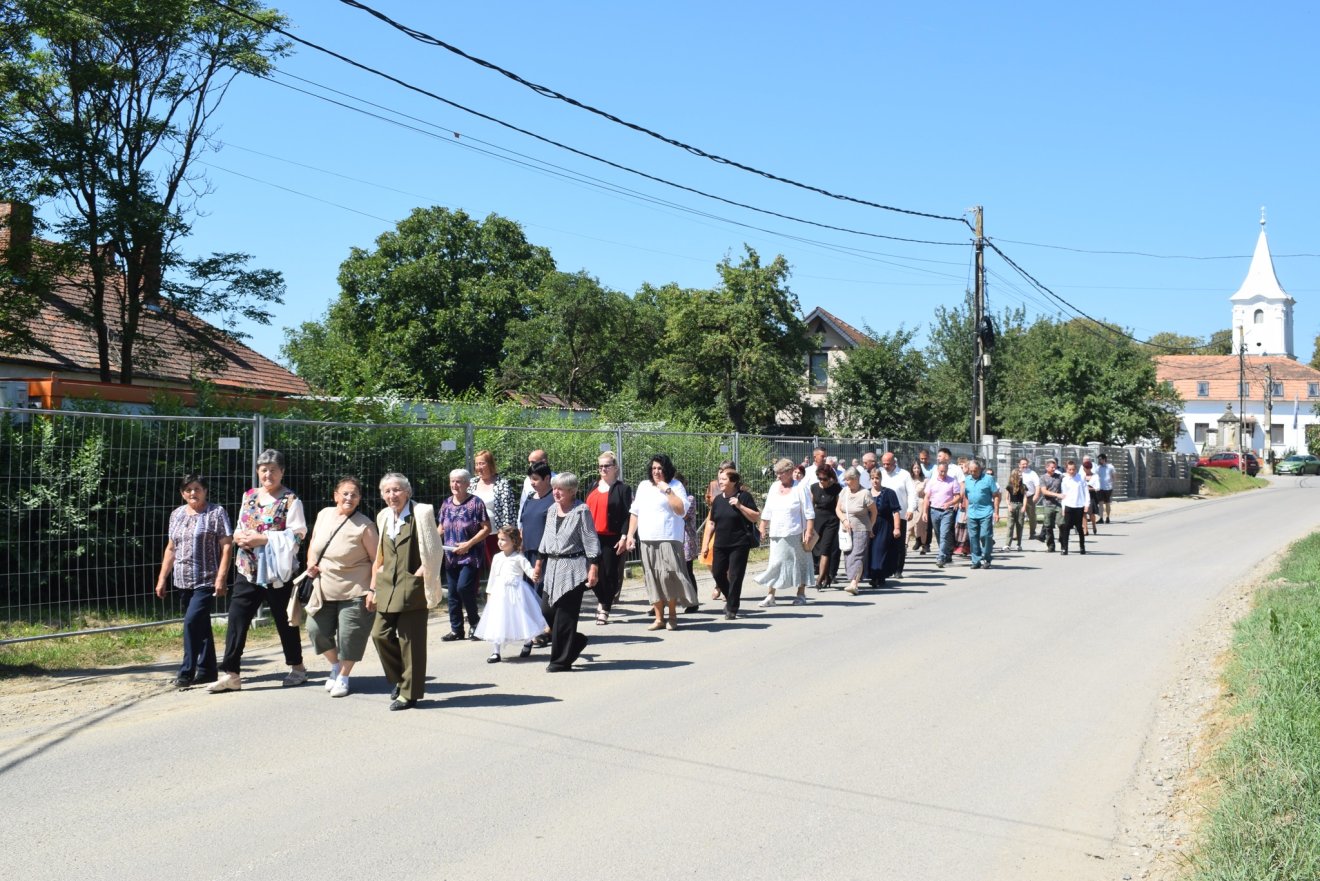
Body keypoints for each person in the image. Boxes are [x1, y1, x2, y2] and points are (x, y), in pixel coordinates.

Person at [209, 449, 307, 693]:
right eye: (264, 469)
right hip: (248, 569)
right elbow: (243, 523)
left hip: (277, 573)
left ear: (282, 472)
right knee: (237, 619)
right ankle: (232, 674)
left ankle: (297, 668)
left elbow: (298, 534)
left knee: (285, 621)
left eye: (273, 469)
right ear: (257, 472)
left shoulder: (291, 500)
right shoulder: (249, 495)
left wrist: (263, 539)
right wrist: (240, 536)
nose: (268, 474)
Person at [369, 472, 442, 710]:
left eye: (397, 490)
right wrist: (374, 584)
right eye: (388, 491)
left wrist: (422, 573)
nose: (393, 495)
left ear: (407, 492)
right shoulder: (382, 516)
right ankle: (401, 680)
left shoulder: (421, 513)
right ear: (382, 495)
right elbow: (380, 552)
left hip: (412, 584)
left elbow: (434, 550)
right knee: (379, 635)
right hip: (387, 585)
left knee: (411, 642)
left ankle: (408, 694)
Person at [303, 476, 379, 698]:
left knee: (350, 636)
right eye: (345, 493)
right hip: (323, 588)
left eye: (354, 494)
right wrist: (310, 563)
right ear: (335, 496)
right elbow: (314, 544)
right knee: (315, 630)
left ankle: (344, 676)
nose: (349, 497)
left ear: (359, 499)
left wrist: (373, 590)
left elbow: (377, 561)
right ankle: (335, 665)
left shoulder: (365, 525)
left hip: (355, 590)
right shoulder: (324, 515)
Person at [155, 474, 232, 688]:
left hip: (206, 579)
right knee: (201, 624)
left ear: (205, 490)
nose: (192, 493)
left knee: (190, 622)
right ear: (182, 493)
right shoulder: (177, 515)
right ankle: (207, 671)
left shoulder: (216, 512)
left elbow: (226, 546)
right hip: (182, 579)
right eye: (188, 490)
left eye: (197, 489)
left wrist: (221, 577)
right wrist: (162, 578)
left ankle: (186, 671)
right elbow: (171, 548)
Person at [534, 473, 599, 671]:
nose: (556, 492)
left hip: (573, 568)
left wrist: (593, 568)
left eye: (560, 489)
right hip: (552, 568)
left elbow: (590, 540)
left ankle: (560, 661)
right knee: (547, 610)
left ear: (572, 491)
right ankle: (575, 640)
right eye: (554, 488)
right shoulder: (552, 510)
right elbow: (546, 538)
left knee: (565, 617)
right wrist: (538, 564)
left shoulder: (581, 511)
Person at [624, 454, 696, 630]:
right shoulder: (644, 486)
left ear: (667, 470)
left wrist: (667, 490)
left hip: (669, 538)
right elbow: (635, 512)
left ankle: (672, 616)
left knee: (668, 576)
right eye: (654, 468)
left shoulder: (676, 486)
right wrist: (630, 535)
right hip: (648, 538)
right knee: (652, 577)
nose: (656, 471)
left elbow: (681, 511)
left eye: (660, 468)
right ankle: (658, 618)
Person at [474, 526, 546, 663]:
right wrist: (489, 593)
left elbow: (529, 571)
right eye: (498, 539)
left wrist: (535, 575)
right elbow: (493, 577)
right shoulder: (496, 557)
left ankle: (527, 641)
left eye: (503, 539)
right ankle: (496, 651)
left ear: (513, 541)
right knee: (497, 620)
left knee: (521, 619)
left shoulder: (519, 557)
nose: (499, 542)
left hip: (516, 593)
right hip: (499, 594)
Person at [754, 457, 816, 606]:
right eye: (776, 473)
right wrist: (763, 526)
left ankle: (801, 594)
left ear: (789, 472)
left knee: (800, 563)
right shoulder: (774, 487)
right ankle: (770, 596)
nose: (778, 476)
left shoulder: (800, 488)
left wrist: (809, 530)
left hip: (795, 533)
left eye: (780, 473)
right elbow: (768, 508)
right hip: (776, 532)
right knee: (775, 563)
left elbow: (809, 512)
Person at [439, 468, 490, 642]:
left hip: (471, 554)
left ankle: (475, 623)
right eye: (452, 481)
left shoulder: (476, 503)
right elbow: (441, 527)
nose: (455, 484)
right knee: (453, 593)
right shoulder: (446, 504)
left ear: (468, 484)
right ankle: (456, 630)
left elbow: (486, 528)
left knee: (463, 587)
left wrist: (468, 544)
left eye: (459, 481)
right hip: (451, 555)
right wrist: (430, 539)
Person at [702, 467, 760, 619]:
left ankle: (732, 608)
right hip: (720, 544)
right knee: (717, 573)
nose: (720, 482)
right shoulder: (718, 500)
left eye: (724, 479)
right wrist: (706, 545)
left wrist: (740, 506)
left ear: (733, 481)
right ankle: (731, 598)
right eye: (719, 479)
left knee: (735, 576)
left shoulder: (744, 496)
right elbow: (712, 523)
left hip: (739, 543)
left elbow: (755, 517)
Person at [586, 451, 631, 625]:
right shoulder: (592, 486)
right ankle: (602, 599)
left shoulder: (623, 489)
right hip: (592, 537)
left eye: (607, 466)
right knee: (591, 573)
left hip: (612, 538)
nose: (603, 469)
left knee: (609, 574)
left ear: (615, 468)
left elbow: (629, 515)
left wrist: (624, 536)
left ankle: (604, 607)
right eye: (600, 466)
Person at [518, 461, 556, 648]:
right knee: (530, 593)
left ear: (547, 478)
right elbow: (524, 523)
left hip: (546, 555)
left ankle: (547, 629)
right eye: (530, 479)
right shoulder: (530, 498)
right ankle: (535, 629)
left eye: (535, 479)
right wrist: (521, 543)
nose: (532, 483)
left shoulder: (553, 500)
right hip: (528, 552)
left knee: (543, 593)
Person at [471, 450, 517, 565]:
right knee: (474, 568)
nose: (478, 467)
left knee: (497, 567)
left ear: (490, 464)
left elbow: (509, 512)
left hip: (495, 535)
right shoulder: (472, 483)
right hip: (474, 534)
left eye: (482, 463)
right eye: (476, 464)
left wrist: (507, 536)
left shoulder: (502, 484)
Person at [837, 467, 876, 595]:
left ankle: (854, 583)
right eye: (846, 480)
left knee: (857, 556)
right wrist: (844, 520)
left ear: (857, 479)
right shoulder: (843, 492)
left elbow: (874, 512)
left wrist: (870, 526)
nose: (847, 482)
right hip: (845, 530)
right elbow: (837, 509)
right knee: (848, 556)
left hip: (861, 529)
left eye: (849, 479)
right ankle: (853, 580)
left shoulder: (865, 493)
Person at [878, 452, 916, 577]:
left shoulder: (904, 475)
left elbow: (911, 493)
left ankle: (898, 569)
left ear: (894, 462)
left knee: (898, 544)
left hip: (900, 514)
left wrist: (911, 509)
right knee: (884, 542)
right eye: (883, 463)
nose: (885, 466)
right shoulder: (880, 473)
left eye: (888, 464)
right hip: (883, 514)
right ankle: (886, 568)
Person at [922, 460, 964, 569]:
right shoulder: (932, 482)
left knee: (944, 533)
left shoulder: (952, 481)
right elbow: (926, 498)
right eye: (941, 471)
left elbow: (958, 496)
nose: (942, 473)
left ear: (947, 471)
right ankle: (946, 553)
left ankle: (940, 557)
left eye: (944, 471)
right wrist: (924, 512)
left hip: (947, 511)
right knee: (938, 534)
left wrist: (950, 503)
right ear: (937, 470)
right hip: (934, 510)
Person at [866, 467, 903, 587]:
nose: (875, 481)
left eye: (877, 478)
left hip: (884, 526)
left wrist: (897, 528)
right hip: (869, 525)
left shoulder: (889, 493)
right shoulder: (866, 493)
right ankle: (874, 575)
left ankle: (878, 576)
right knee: (870, 551)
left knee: (879, 550)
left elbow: (896, 512)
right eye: (872, 478)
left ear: (881, 479)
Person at [962, 460, 1001, 569]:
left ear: (980, 469)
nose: (973, 473)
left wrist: (996, 512)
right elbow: (966, 497)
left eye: (975, 471)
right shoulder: (967, 480)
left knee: (985, 536)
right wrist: (966, 513)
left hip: (986, 512)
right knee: (973, 537)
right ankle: (976, 560)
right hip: (972, 513)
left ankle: (987, 558)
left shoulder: (988, 479)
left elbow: (996, 496)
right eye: (971, 471)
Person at [810, 465, 842, 589]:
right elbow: (811, 506)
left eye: (824, 479)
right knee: (816, 549)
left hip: (831, 521)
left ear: (830, 478)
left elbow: (838, 507)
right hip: (818, 520)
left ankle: (820, 578)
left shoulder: (836, 488)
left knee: (826, 549)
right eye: (820, 478)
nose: (822, 481)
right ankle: (826, 576)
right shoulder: (814, 487)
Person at [675, 471, 702, 613]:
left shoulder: (689, 499)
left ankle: (693, 602)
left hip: (686, 539)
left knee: (687, 571)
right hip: (673, 537)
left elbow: (682, 515)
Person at [1058, 459, 1090, 555]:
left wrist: (1086, 504)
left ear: (1076, 469)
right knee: (1066, 528)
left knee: (1079, 527)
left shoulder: (1081, 478)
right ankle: (1064, 548)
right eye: (1069, 470)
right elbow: (1064, 494)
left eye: (1073, 469)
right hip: (1068, 505)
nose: (1071, 471)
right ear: (1067, 470)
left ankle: (1082, 547)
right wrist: (1063, 507)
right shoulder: (1065, 480)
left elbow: (1086, 492)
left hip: (1079, 506)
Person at [1036, 458, 1064, 552]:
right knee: (1048, 526)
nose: (1054, 469)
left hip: (1059, 504)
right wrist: (1057, 494)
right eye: (1052, 467)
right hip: (1048, 504)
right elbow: (1044, 491)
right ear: (1047, 467)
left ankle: (1063, 542)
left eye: (1055, 467)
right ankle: (1051, 545)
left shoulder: (1060, 477)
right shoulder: (1043, 478)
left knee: (1061, 524)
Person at [907, 459, 930, 554]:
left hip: (921, 504)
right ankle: (905, 545)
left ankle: (924, 544)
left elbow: (927, 495)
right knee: (908, 526)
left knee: (920, 526)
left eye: (918, 468)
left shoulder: (925, 480)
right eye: (914, 468)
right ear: (912, 469)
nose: (916, 470)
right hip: (910, 504)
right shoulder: (908, 480)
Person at [1018, 458, 1041, 541]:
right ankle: (1018, 534)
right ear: (1019, 465)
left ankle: (1032, 533)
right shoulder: (1016, 473)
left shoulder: (1032, 473)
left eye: (1026, 464)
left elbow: (1037, 485)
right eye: (1023, 464)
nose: (1024, 465)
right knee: (1019, 516)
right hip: (1019, 498)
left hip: (1029, 497)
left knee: (1032, 516)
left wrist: (1036, 495)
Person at [1004, 468, 1027, 552]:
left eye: (1021, 475)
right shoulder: (1009, 486)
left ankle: (1019, 544)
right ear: (1015, 476)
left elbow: (1025, 497)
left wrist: (1024, 506)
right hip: (1012, 505)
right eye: (1019, 475)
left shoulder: (1023, 486)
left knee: (1020, 525)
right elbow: (1006, 498)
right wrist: (1008, 505)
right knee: (1010, 526)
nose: (1021, 476)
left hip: (1020, 505)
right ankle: (1007, 545)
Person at [1082, 457, 1101, 535]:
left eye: (1088, 468)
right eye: (1085, 468)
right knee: (1083, 512)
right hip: (1083, 495)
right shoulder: (1081, 476)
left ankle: (1093, 525)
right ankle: (1085, 529)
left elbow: (1098, 488)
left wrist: (1090, 488)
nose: (1087, 469)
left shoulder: (1095, 476)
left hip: (1092, 495)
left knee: (1091, 513)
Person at [1095, 453, 1116, 524]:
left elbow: (1114, 477)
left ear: (1104, 459)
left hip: (1108, 488)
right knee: (1100, 503)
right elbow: (1095, 477)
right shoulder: (1098, 468)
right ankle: (1101, 518)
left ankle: (1107, 517)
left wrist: (1112, 485)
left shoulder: (1110, 467)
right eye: (1098, 459)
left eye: (1100, 459)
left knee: (1107, 503)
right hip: (1100, 488)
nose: (1099, 461)